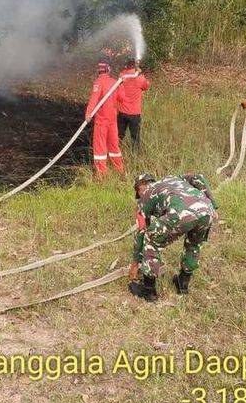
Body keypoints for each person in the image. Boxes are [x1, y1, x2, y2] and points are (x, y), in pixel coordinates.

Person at [128, 172, 218, 301]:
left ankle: (148, 290)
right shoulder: (173, 178)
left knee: (151, 239)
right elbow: (199, 177)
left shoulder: (144, 198)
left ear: (142, 186)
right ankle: (183, 283)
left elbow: (142, 231)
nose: (140, 195)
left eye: (139, 192)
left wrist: (135, 263)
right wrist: (213, 205)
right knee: (193, 244)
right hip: (206, 211)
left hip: (180, 214)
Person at [85, 61, 124, 177]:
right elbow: (121, 98)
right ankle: (119, 170)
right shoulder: (114, 82)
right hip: (112, 120)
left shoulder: (98, 82)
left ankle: (102, 173)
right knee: (114, 146)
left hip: (101, 121)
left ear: (99, 71)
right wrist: (121, 84)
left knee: (100, 148)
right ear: (109, 70)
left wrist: (88, 114)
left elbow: (94, 99)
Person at [116, 59, 150, 148]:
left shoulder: (122, 75)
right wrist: (140, 74)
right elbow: (146, 86)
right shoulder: (140, 78)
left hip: (122, 112)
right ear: (135, 65)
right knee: (135, 137)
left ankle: (115, 152)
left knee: (119, 136)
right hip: (134, 113)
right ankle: (135, 156)